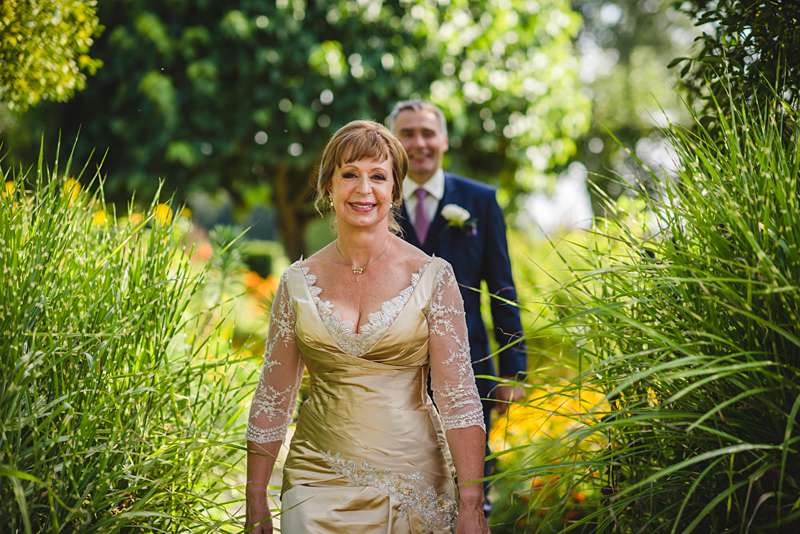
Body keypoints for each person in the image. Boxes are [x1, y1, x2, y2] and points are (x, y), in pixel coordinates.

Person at [245, 120, 489, 533]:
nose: (363, 190)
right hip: (314, 480)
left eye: (378, 176)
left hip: (412, 486)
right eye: (349, 175)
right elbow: (273, 395)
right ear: (328, 186)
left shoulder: (433, 276)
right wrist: (255, 498)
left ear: (395, 190)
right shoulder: (296, 282)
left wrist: (470, 504)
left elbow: (458, 397)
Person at [387, 100, 527, 508]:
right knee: (407, 489)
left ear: (444, 139)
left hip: (471, 367)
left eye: (427, 132)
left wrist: (513, 370)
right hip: (396, 369)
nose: (419, 143)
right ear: (393, 141)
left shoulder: (480, 200)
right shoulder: (377, 197)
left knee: (471, 488)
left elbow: (502, 288)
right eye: (407, 133)